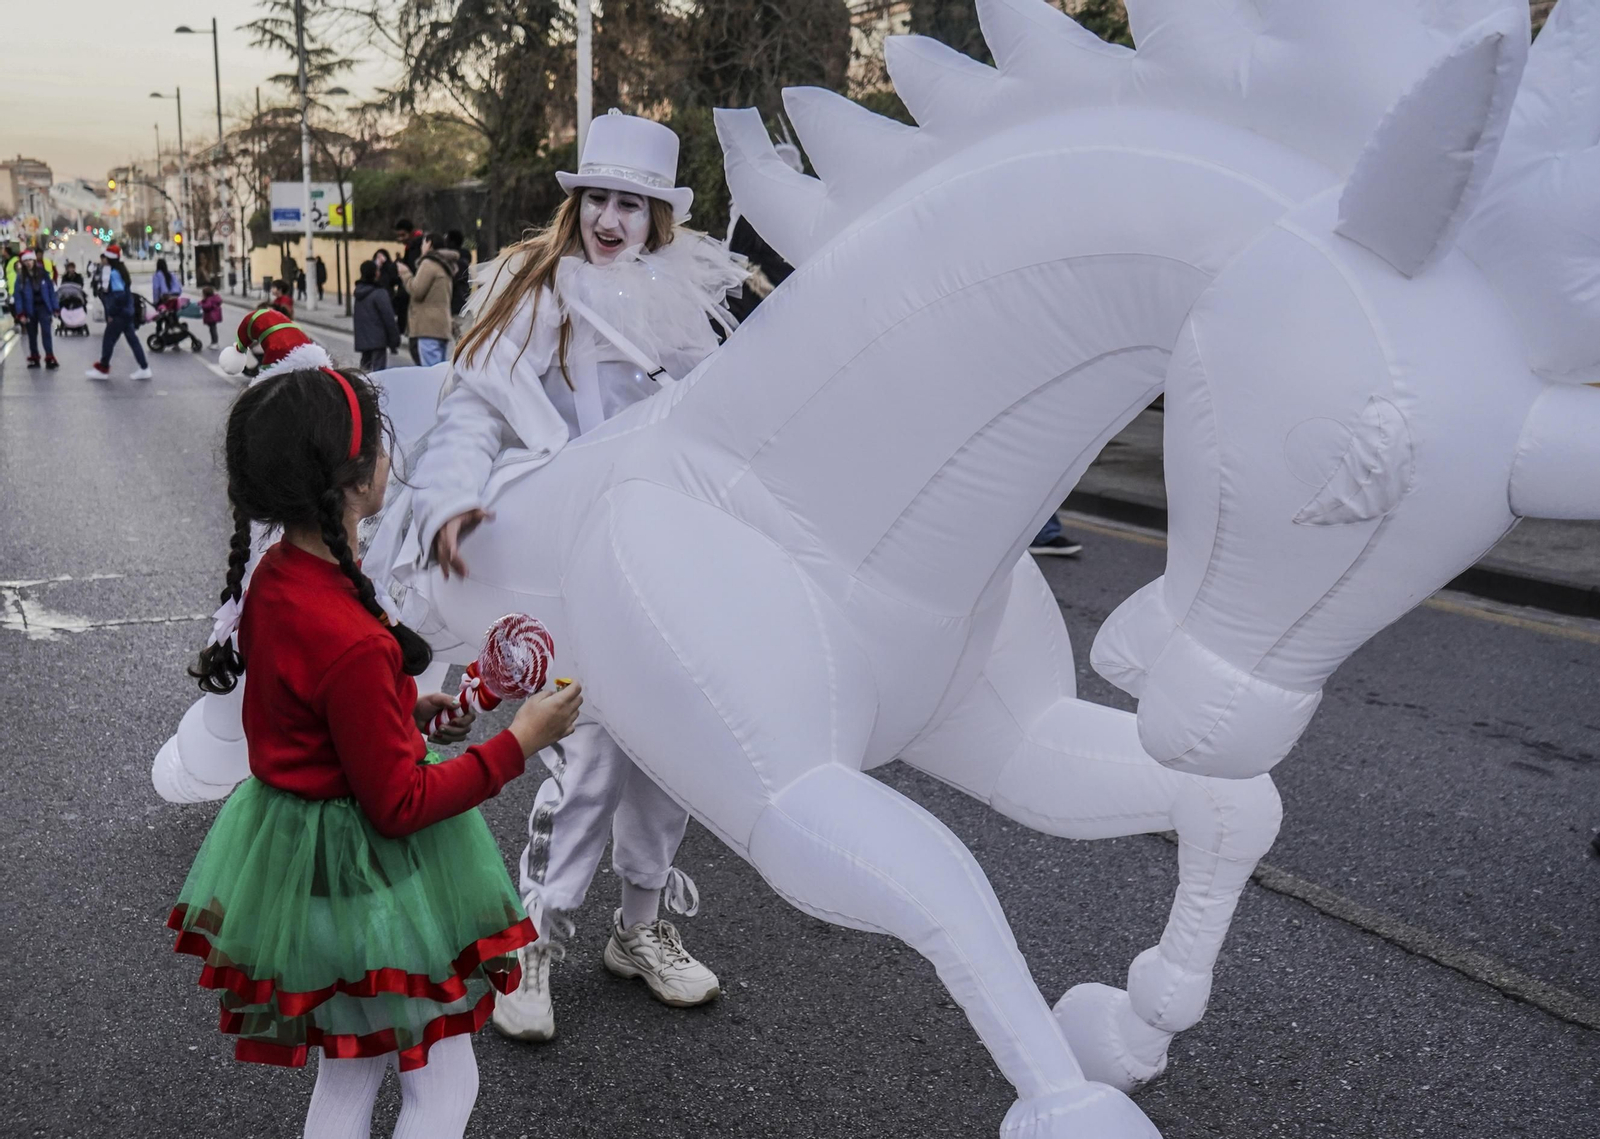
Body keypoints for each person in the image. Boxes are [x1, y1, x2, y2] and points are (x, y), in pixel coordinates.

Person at [169, 329, 583, 1138]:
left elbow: (314, 709)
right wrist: (520, 742)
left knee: (351, 1067)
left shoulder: (278, 577)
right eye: (384, 445)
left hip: (305, 873)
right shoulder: (352, 635)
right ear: (354, 483)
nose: (395, 457)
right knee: (445, 1084)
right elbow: (398, 802)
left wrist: (406, 707)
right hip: (372, 881)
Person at [398, 110, 746, 1044]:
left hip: (663, 563)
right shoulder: (535, 292)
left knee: (668, 754)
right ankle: (533, 938)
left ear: (656, 216)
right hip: (568, 561)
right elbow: (472, 412)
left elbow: (724, 428)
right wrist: (447, 501)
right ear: (576, 203)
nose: (608, 220)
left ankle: (639, 927)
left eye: (629, 204)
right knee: (588, 752)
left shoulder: (680, 304)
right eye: (596, 198)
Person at [86, 245, 152, 380]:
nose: (103, 259)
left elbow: (119, 296)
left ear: (109, 259)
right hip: (127, 312)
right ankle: (144, 367)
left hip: (119, 314)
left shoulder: (114, 274)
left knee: (108, 339)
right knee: (133, 340)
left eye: (105, 257)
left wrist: (111, 313)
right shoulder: (121, 270)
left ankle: (103, 368)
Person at [396, 233, 458, 367]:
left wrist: (405, 273)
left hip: (428, 328)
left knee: (430, 372)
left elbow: (417, 291)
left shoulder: (429, 263)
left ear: (429, 244)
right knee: (439, 370)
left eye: (423, 243)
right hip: (442, 327)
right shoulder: (445, 265)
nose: (421, 247)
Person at [12, 250, 60, 369]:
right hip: (29, 309)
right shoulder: (21, 277)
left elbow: (51, 291)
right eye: (26, 261)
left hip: (43, 307)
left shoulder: (43, 274)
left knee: (46, 333)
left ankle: (49, 356)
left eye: (30, 260)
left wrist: (55, 308)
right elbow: (18, 296)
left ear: (34, 260)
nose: (28, 263)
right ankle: (34, 357)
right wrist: (20, 313)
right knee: (32, 335)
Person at [353, 260, 401, 371]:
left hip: (363, 340)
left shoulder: (359, 293)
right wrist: (394, 339)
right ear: (375, 273)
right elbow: (388, 318)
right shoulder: (379, 293)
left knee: (364, 371)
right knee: (378, 373)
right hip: (378, 340)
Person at [394, 218, 424, 364]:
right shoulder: (411, 247)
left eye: (403, 235)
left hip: (416, 304)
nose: (400, 239)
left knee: (416, 347)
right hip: (411, 305)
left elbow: (414, 280)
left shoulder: (416, 249)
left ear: (411, 233)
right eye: (398, 236)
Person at [444, 230, 472, 335]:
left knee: (458, 335)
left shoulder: (457, 262)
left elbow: (453, 282)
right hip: (460, 302)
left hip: (455, 304)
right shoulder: (464, 260)